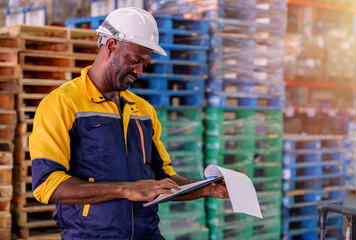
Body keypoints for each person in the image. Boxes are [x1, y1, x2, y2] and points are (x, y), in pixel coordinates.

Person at [29, 7, 228, 240]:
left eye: (145, 64)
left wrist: (206, 188)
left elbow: (163, 177)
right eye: (135, 61)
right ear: (111, 46)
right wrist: (126, 189)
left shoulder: (143, 110)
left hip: (148, 234)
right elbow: (47, 184)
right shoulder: (62, 104)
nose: (139, 71)